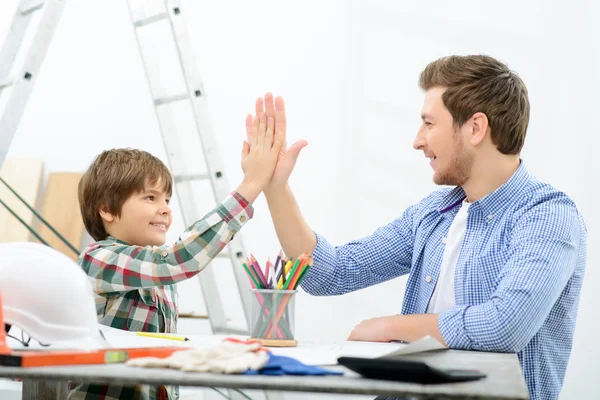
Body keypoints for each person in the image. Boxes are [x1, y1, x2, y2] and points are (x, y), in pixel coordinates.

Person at [253, 56, 587, 400]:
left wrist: (391, 328)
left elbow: (505, 325)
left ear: (475, 128)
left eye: (429, 123)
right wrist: (276, 188)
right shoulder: (435, 214)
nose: (417, 140)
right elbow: (331, 273)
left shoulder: (547, 216)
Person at [69, 112, 282, 399]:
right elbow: (176, 261)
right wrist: (252, 185)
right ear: (106, 209)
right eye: (150, 197)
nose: (166, 208)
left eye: (167, 199)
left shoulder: (161, 278)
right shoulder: (98, 260)